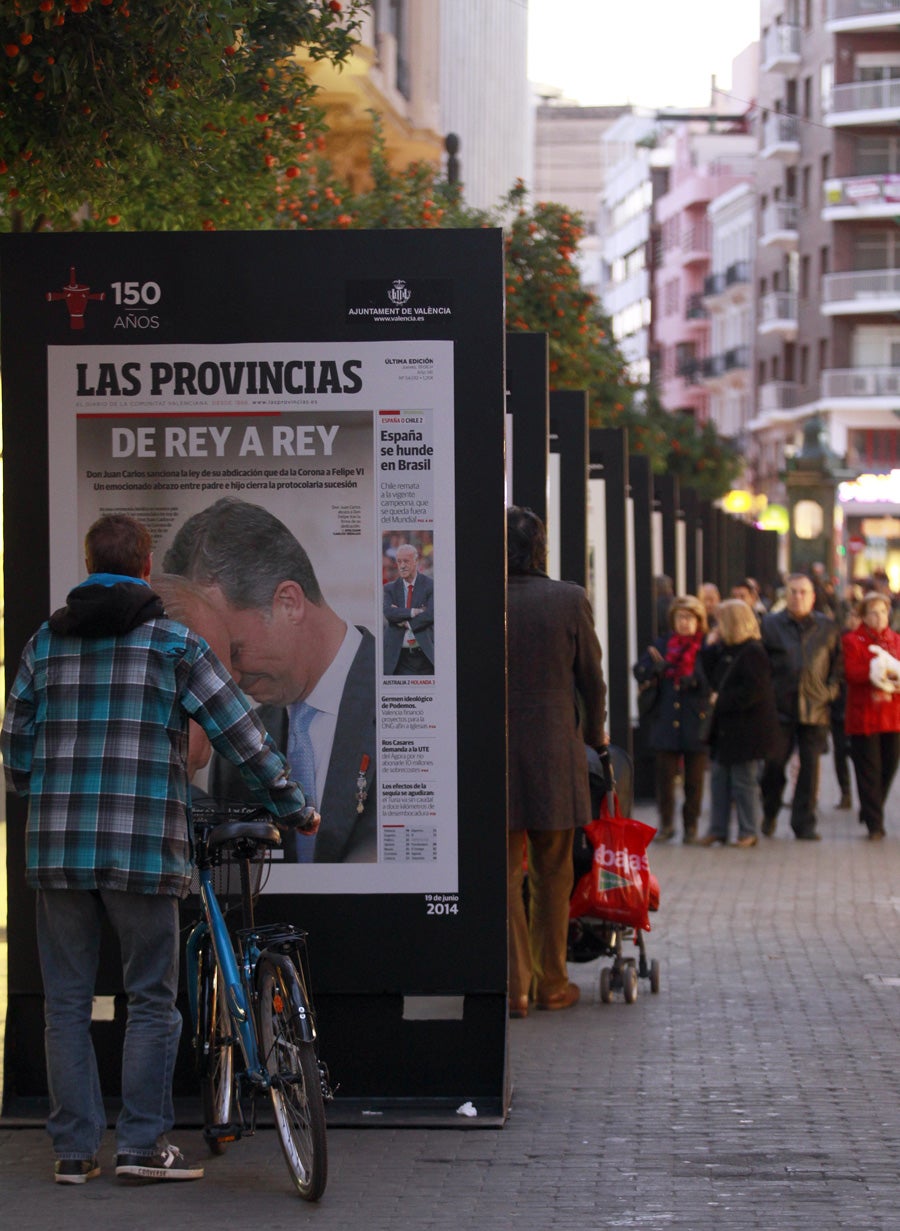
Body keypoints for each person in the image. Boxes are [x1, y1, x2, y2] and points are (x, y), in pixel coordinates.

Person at [0, 514, 314, 1186]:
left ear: (89, 564)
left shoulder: (44, 645)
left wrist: (40, 790)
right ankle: (142, 1146)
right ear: (145, 567)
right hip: (143, 851)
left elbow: (16, 742)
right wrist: (292, 805)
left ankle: (75, 1151)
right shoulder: (173, 644)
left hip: (57, 854)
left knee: (65, 1003)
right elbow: (241, 736)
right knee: (150, 998)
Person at [162, 497, 376, 863]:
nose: (225, 680)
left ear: (289, 602)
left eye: (234, 651)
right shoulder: (235, 758)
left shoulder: (407, 702)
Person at [506, 506, 607, 1018]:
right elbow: (592, 679)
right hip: (553, 755)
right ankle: (552, 982)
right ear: (539, 548)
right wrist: (594, 735)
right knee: (552, 874)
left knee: (504, 878)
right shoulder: (569, 599)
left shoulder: (484, 599)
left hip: (496, 759)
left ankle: (515, 987)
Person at [759, 573, 843, 840]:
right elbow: (760, 664)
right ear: (786, 595)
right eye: (793, 592)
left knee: (810, 768)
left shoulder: (827, 627)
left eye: (803, 592)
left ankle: (803, 823)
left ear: (813, 596)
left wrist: (829, 691)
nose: (798, 597)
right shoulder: (770, 625)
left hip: (815, 708)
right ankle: (769, 811)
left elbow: (837, 666)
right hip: (780, 708)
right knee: (773, 765)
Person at [634, 594, 712, 844]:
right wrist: (654, 669)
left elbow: (714, 677)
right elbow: (639, 669)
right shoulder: (663, 644)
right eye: (681, 617)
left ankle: (691, 826)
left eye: (690, 618)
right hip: (666, 718)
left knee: (694, 780)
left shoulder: (706, 646)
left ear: (699, 620)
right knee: (665, 778)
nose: (685, 622)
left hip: (695, 719)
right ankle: (666, 824)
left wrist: (699, 680)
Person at [698, 599, 777, 848]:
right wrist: (709, 648)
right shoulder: (724, 649)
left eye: (720, 622)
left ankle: (748, 830)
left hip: (746, 729)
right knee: (719, 779)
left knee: (744, 781)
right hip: (725, 729)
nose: (716, 627)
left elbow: (754, 691)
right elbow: (708, 675)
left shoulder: (753, 651)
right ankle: (717, 829)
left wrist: (722, 700)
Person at [842, 591, 900, 840]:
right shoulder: (853, 641)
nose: (879, 617)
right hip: (864, 714)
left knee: (888, 767)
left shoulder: (896, 640)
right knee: (869, 770)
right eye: (873, 612)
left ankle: (870, 807)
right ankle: (875, 825)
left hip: (892, 715)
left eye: (883, 612)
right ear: (864, 616)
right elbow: (852, 673)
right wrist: (877, 669)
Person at [383, 542, 434, 674]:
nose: (402, 566)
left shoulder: (430, 585)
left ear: (416, 561)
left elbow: (431, 613)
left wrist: (406, 621)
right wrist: (414, 612)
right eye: (399, 562)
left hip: (425, 656)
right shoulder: (389, 588)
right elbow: (389, 612)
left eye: (406, 561)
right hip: (398, 657)